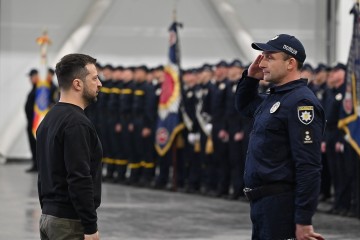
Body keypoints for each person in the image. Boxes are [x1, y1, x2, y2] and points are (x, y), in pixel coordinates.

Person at [235, 34, 325, 240]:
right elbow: (244, 106)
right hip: (263, 205)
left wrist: (303, 220)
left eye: (269, 57)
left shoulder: (301, 103)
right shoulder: (276, 97)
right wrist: (250, 79)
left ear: (290, 63)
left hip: (281, 206)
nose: (262, 62)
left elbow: (308, 166)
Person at [37, 53, 103, 240]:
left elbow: (43, 173)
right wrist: (90, 226)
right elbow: (79, 176)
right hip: (69, 223)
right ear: (77, 84)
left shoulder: (49, 119)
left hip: (50, 216)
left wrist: (48, 212)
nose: (99, 84)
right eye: (95, 78)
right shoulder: (76, 123)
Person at [24, 69, 39, 172]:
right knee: (32, 145)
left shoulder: (40, 90)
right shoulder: (34, 89)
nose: (30, 79)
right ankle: (35, 164)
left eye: (31, 77)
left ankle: (37, 165)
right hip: (30, 123)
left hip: (35, 123)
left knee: (36, 145)